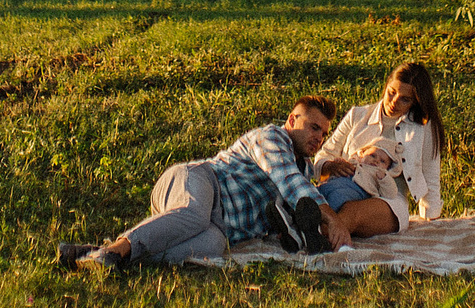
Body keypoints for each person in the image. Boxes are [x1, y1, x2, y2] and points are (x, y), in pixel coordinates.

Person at [59, 96, 352, 269]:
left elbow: (299, 195)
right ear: (291, 120)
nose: (318, 137)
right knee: (194, 214)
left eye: (324, 134)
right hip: (200, 180)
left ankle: (93, 256)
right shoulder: (271, 137)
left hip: (219, 226)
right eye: (313, 127)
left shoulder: (303, 168)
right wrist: (334, 220)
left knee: (211, 245)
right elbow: (288, 182)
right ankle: (116, 250)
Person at [309, 61, 446, 240]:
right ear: (386, 85)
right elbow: (325, 153)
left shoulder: (423, 128)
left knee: (352, 211)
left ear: (416, 102)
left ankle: (317, 236)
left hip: (387, 199)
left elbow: (431, 176)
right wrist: (330, 166)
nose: (394, 102)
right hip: (345, 186)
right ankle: (301, 228)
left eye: (405, 99)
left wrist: (431, 219)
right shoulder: (358, 115)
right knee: (315, 197)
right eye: (392, 92)